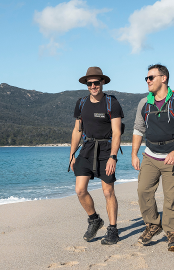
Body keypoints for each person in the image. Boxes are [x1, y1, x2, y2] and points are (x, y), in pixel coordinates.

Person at [132, 64, 174, 250]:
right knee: (143, 191)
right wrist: (134, 154)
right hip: (150, 155)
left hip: (172, 157)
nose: (147, 81)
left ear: (163, 78)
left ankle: (172, 233)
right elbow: (138, 129)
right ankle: (153, 224)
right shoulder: (144, 103)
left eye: (151, 77)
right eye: (147, 78)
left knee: (171, 196)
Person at [69, 66, 124, 245]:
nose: (93, 86)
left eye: (96, 82)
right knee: (80, 190)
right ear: (86, 84)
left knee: (108, 191)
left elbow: (117, 132)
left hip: (106, 149)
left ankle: (113, 230)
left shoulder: (112, 103)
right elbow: (77, 130)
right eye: (90, 83)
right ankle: (94, 220)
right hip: (86, 149)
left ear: (102, 82)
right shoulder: (81, 103)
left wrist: (113, 156)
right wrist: (71, 154)